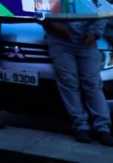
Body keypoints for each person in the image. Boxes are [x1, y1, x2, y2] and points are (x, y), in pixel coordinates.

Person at [43, 18, 113, 146]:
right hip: (60, 41)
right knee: (69, 83)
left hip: (86, 42)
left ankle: (103, 127)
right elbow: (39, 9)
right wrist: (52, 23)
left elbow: (102, 11)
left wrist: (95, 33)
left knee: (92, 84)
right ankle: (81, 126)